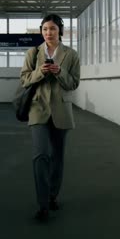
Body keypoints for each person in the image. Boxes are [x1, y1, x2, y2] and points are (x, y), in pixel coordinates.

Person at [20, 14, 80, 222]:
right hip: (37, 109)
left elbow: (73, 83)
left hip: (61, 112)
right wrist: (40, 72)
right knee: (40, 155)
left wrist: (59, 71)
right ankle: (43, 204)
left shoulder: (71, 55)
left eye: (53, 29)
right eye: (45, 29)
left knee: (57, 158)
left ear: (60, 30)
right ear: (41, 31)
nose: (48, 33)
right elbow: (25, 80)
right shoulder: (33, 52)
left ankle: (53, 195)